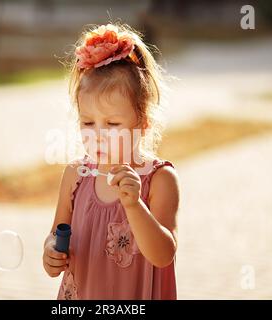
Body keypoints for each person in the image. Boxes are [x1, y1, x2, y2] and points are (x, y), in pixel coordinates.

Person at [42, 23, 180, 299]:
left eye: (112, 123)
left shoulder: (159, 180)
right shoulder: (75, 175)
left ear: (143, 122)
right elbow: (56, 234)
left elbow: (164, 255)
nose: (98, 135)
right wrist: (50, 253)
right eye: (88, 122)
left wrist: (133, 204)